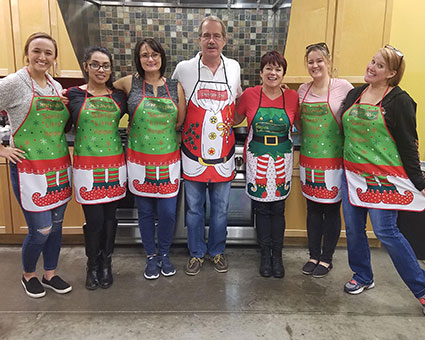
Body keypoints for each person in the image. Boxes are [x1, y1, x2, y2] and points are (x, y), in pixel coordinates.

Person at [340, 45, 425, 315]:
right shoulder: (356, 93)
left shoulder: (399, 101)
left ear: (391, 73)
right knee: (354, 229)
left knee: (386, 231)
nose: (371, 67)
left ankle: (422, 290)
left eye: (378, 65)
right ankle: (363, 275)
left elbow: (409, 144)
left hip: (382, 179)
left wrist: (420, 182)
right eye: (372, 61)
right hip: (352, 175)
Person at [0, 32, 72, 298]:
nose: (42, 57)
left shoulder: (53, 85)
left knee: (56, 225)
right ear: (26, 53)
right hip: (29, 168)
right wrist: (3, 149)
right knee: (40, 229)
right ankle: (28, 274)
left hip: (58, 166)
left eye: (48, 53)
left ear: (54, 58)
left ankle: (50, 273)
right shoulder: (14, 83)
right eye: (37, 51)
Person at [172, 16, 242, 275]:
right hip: (192, 154)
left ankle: (217, 251)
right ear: (198, 39)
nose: (211, 41)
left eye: (216, 36)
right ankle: (196, 253)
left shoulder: (233, 68)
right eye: (206, 36)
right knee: (194, 209)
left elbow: (237, 103)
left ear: (224, 40)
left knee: (221, 209)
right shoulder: (184, 69)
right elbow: (173, 102)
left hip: (223, 154)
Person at [114, 38, 185, 279]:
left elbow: (180, 122)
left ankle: (164, 253)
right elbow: (101, 94)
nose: (150, 59)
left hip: (168, 159)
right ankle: (151, 256)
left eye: (154, 54)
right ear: (139, 59)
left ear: (162, 57)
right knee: (144, 211)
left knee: (167, 212)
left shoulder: (175, 87)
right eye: (145, 55)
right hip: (139, 160)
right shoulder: (128, 83)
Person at [66, 46, 127, 290]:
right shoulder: (72, 95)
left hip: (114, 163)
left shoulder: (118, 96)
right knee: (94, 220)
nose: (100, 70)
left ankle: (106, 264)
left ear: (111, 70)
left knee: (111, 218)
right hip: (87, 166)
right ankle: (92, 265)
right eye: (95, 64)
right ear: (86, 66)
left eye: (105, 66)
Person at [234, 51, 299, 278]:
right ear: (261, 72)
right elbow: (232, 119)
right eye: (268, 69)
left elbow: (300, 123)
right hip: (257, 154)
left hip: (282, 157)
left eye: (278, 69)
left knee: (278, 209)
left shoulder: (292, 97)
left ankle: (277, 256)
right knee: (261, 208)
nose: (273, 73)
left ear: (283, 74)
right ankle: (264, 255)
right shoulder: (250, 95)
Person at [297, 43, 353, 278]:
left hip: (333, 160)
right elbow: (299, 123)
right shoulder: (302, 90)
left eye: (319, 60)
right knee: (312, 209)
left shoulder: (344, 88)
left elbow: (351, 122)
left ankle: (327, 258)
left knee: (330, 210)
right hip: (309, 159)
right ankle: (313, 254)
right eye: (310, 61)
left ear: (328, 61)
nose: (315, 65)